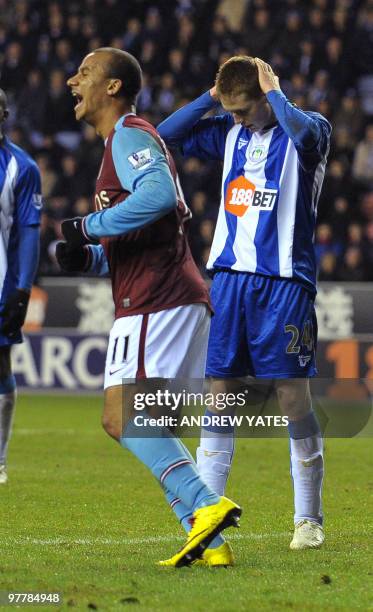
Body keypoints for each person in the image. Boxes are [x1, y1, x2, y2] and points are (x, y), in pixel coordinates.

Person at [56, 47, 241, 568]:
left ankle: (206, 506)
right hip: (170, 293)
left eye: (85, 73)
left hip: (154, 301)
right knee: (149, 422)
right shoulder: (124, 141)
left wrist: (86, 225)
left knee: (121, 417)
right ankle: (207, 540)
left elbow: (158, 196)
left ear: (112, 87)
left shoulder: (131, 134)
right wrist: (90, 258)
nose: (74, 80)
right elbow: (146, 231)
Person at [158, 55, 331, 559]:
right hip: (230, 283)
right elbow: (166, 135)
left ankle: (308, 519)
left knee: (292, 400)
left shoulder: (308, 133)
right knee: (221, 397)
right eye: (229, 112)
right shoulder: (231, 134)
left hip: (284, 284)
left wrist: (274, 92)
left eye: (244, 110)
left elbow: (304, 133)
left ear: (266, 96)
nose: (237, 120)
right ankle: (206, 522)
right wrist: (213, 98)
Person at [0, 88, 42, 483]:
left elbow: (29, 231)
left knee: (0, 366)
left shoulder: (21, 167)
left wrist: (23, 287)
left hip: (1, 282)